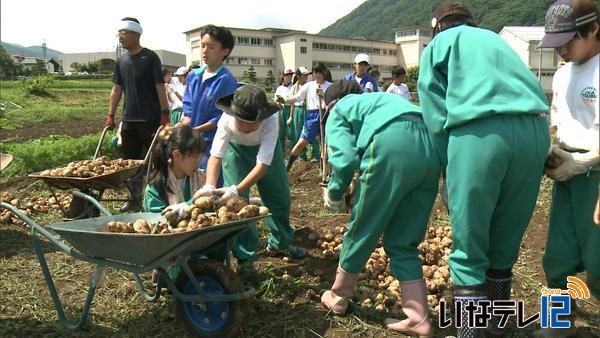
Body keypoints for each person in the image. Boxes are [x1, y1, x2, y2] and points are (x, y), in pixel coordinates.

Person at [418, 2, 551, 337]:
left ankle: (469, 331)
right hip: (533, 133)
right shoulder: (496, 41)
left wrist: (449, 170)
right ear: (470, 22)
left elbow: (435, 114)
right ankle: (497, 322)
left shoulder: (439, 46)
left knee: (470, 245)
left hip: (479, 136)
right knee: (506, 236)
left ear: (438, 27)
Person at [320, 80, 440, 337]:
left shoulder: (339, 110)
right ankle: (418, 318)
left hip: (390, 144)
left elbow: (344, 159)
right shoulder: (382, 101)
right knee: (403, 240)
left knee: (364, 225)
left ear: (330, 104)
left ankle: (338, 295)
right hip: (430, 149)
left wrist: (334, 192)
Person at [534, 1, 600, 336]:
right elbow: (560, 124)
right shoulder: (561, 74)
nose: (561, 48)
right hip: (567, 175)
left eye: (569, 40)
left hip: (596, 176)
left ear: (593, 30)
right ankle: (557, 324)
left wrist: (584, 161)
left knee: (598, 260)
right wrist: (556, 153)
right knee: (557, 258)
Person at [195, 84, 306, 273]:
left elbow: (262, 165)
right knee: (239, 206)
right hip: (236, 151)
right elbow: (216, 156)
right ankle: (245, 257)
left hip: (267, 156)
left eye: (251, 123)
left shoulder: (271, 121)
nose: (246, 127)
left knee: (279, 198)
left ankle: (280, 243)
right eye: (242, 122)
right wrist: (209, 185)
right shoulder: (226, 120)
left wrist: (236, 188)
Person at [103, 17, 169, 212]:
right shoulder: (121, 61)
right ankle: (133, 200)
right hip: (129, 120)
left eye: (123, 33)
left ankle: (156, 200)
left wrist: (164, 113)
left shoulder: (150, 58)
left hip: (150, 119)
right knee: (130, 163)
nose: (120, 37)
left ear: (136, 34)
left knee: (154, 161)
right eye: (119, 34)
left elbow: (160, 86)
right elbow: (116, 90)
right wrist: (111, 115)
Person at [181, 24, 237, 186]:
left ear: (224, 51)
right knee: (188, 185)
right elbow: (188, 109)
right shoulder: (194, 76)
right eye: (203, 45)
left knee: (209, 184)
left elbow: (222, 116)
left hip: (212, 145)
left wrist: (195, 130)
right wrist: (184, 126)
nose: (205, 51)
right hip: (191, 142)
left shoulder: (226, 80)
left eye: (211, 47)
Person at [284, 63, 332, 171]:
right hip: (312, 116)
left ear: (324, 72)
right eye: (315, 73)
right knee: (302, 142)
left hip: (326, 114)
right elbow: (296, 98)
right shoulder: (309, 85)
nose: (318, 75)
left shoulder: (329, 85)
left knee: (325, 144)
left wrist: (323, 96)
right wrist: (284, 100)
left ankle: (324, 170)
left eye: (320, 72)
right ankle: (287, 167)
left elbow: (333, 102)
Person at [286, 67, 320, 162]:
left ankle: (315, 155)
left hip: (307, 109)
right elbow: (292, 102)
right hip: (297, 110)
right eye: (304, 75)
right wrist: (291, 116)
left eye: (307, 75)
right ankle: (302, 156)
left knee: (310, 132)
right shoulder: (294, 87)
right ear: (298, 76)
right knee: (298, 134)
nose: (306, 77)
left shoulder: (310, 86)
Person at [274, 68, 295, 149]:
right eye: (287, 75)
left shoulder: (293, 87)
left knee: (292, 133)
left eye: (291, 75)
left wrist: (291, 116)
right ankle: (281, 152)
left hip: (290, 109)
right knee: (280, 132)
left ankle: (294, 152)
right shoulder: (279, 88)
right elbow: (275, 99)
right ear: (283, 76)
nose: (289, 77)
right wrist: (277, 102)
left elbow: (294, 101)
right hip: (281, 110)